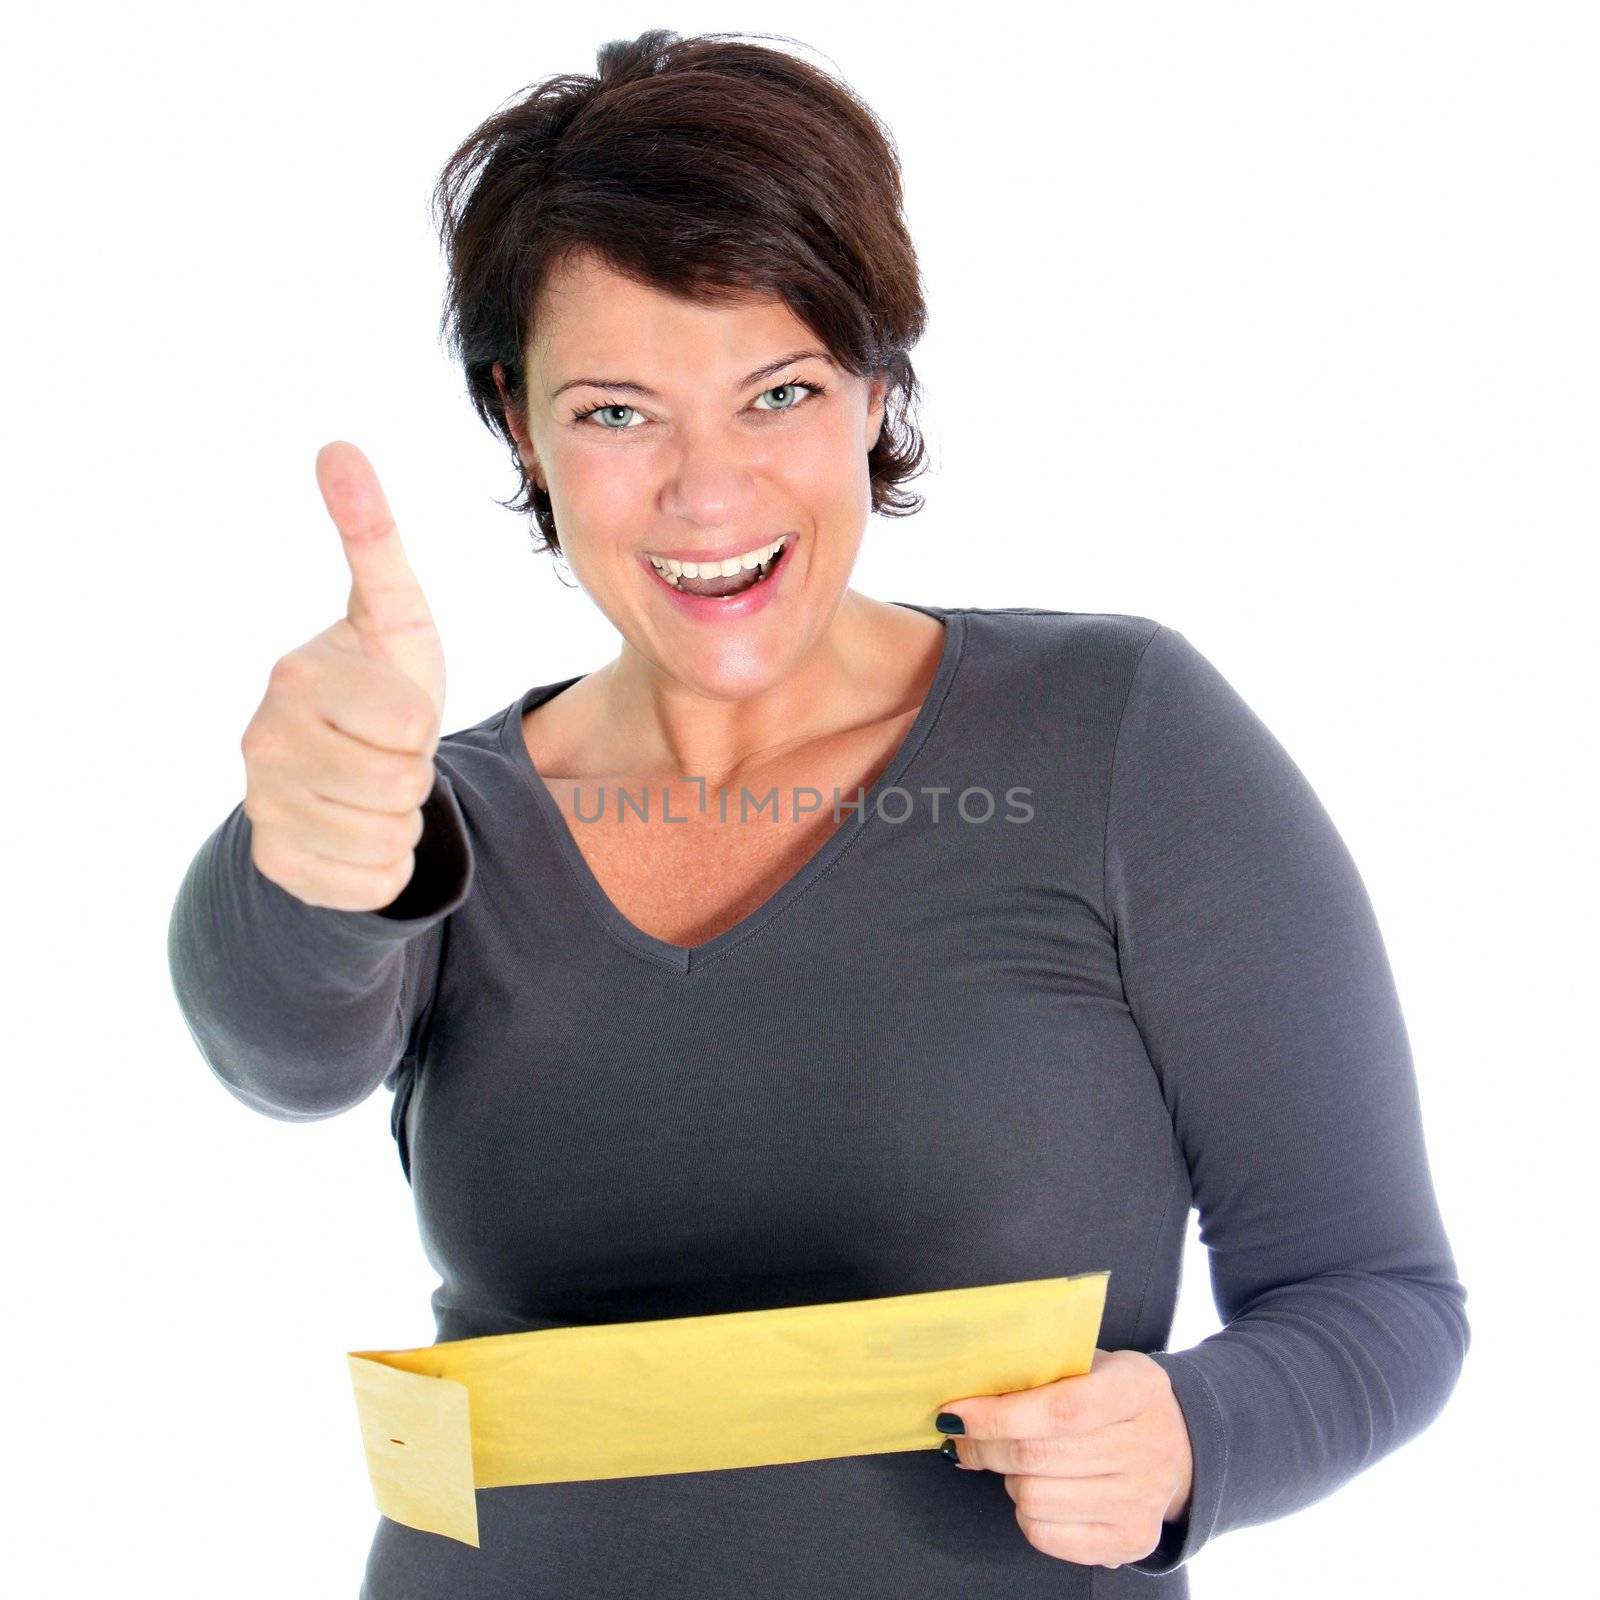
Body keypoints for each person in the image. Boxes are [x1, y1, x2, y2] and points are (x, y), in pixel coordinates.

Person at [165, 28, 1470, 1600]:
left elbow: (1378, 1293)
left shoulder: (1115, 734)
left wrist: (1200, 1435)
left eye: (775, 391)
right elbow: (280, 1057)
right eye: (618, 413)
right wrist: (308, 859)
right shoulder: (433, 814)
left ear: (875, 384)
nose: (708, 498)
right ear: (519, 425)